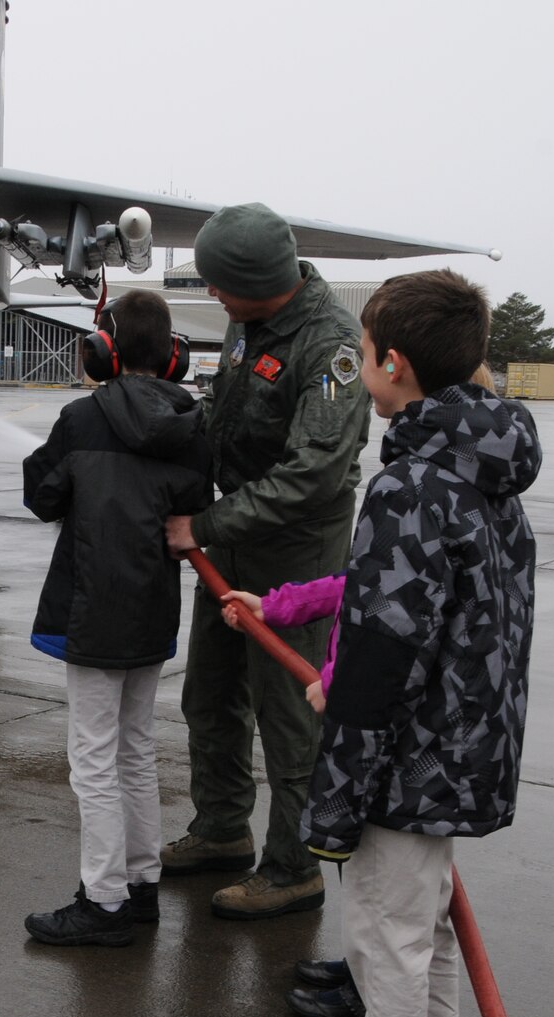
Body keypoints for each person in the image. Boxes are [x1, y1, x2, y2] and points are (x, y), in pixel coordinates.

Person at [250, 269, 541, 1017]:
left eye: (366, 354)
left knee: (386, 941)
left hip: (409, 760)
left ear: (394, 365)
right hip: (464, 746)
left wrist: (346, 719)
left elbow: (386, 643)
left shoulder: (411, 484)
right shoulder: (487, 471)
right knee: (427, 932)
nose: (362, 370)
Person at [161, 203, 371, 923]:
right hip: (232, 535)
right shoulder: (247, 322)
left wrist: (206, 523)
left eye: (220, 283)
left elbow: (313, 472)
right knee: (210, 696)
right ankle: (221, 830)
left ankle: (293, 867)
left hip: (297, 550)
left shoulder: (333, 346)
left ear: (255, 280)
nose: (212, 295)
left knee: (290, 714)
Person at [20, 291, 214, 945]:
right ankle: (140, 884)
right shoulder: (192, 425)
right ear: (173, 357)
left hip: (93, 611)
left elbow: (41, 495)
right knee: (134, 751)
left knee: (93, 760)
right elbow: (195, 506)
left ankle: (103, 903)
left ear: (103, 353)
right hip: (152, 611)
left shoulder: (82, 417)